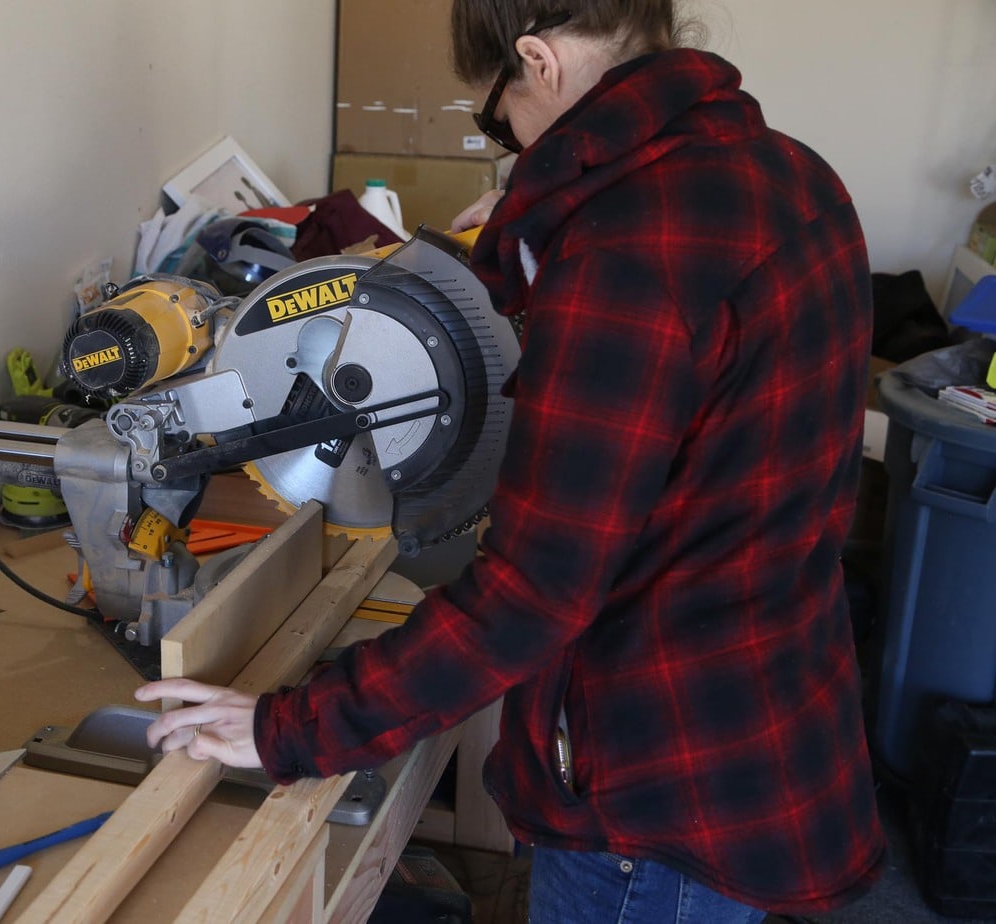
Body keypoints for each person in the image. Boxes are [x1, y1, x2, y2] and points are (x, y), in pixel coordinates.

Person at [136, 2, 885, 920]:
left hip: (644, 793)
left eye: (495, 119)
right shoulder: (797, 178)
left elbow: (535, 596)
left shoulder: (627, 249)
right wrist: (540, 242)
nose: (508, 143)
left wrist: (288, 729)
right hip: (769, 715)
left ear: (539, 61)